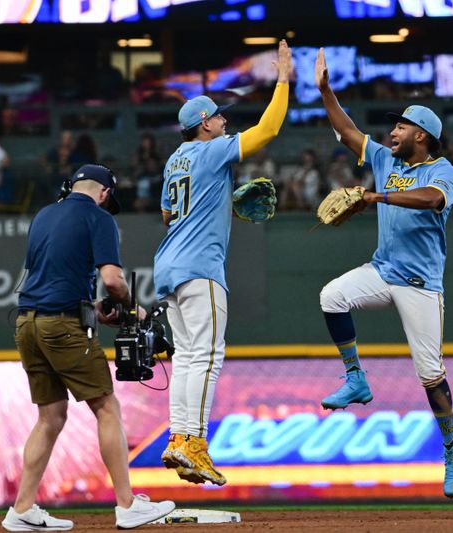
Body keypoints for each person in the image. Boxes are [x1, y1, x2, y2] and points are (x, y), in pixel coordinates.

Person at [313, 48, 453, 498]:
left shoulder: (442, 171)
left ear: (421, 134)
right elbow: (346, 130)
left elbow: (431, 200)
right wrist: (325, 91)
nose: (392, 131)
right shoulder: (385, 160)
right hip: (383, 272)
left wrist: (377, 198)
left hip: (421, 286)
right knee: (332, 296)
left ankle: (452, 452)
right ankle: (356, 379)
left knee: (430, 376)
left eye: (400, 125)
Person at [3, 164, 175, 531]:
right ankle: (128, 506)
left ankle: (21, 509)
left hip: (27, 323)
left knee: (50, 417)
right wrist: (130, 308)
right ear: (104, 193)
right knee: (107, 408)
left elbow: (47, 278)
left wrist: (93, 310)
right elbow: (112, 279)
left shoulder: (44, 214)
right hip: (61, 327)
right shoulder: (98, 218)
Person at [154, 39, 292, 486]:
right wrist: (284, 80)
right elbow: (268, 130)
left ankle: (178, 438)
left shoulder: (175, 159)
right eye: (217, 116)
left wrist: (220, 204)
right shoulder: (213, 150)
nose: (223, 119)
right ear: (203, 124)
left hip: (168, 266)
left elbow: (168, 214)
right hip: (199, 267)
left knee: (187, 358)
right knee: (208, 357)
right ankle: (193, 443)